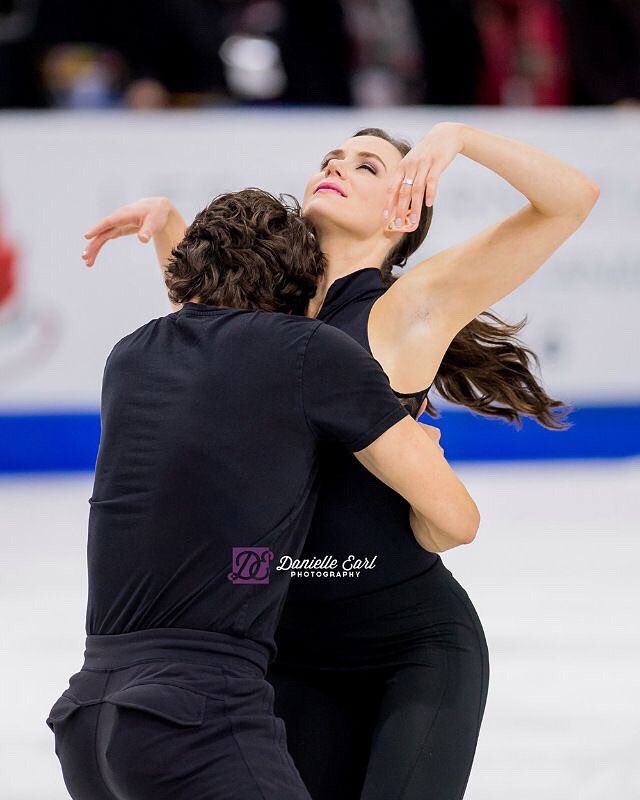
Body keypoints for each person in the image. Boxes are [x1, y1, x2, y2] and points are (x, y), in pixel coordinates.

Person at [82, 122, 599, 799]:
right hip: (288, 647)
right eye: (331, 158)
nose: (338, 166)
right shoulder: (268, 310)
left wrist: (460, 137)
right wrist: (171, 227)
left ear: (404, 208)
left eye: (368, 165)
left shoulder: (409, 305)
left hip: (411, 648)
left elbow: (572, 199)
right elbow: (203, 335)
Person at [47, 187, 479, 800]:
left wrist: (174, 227)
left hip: (91, 723)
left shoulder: (131, 356)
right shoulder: (308, 351)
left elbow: (209, 330)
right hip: (201, 720)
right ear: (302, 293)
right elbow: (458, 520)